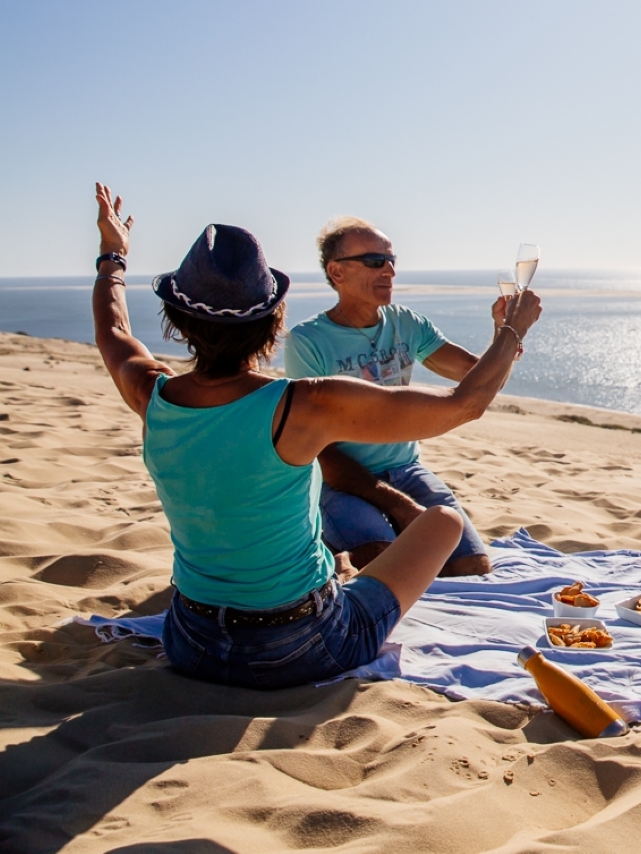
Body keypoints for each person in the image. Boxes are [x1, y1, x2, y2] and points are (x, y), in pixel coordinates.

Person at [88, 184, 541, 689]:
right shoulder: (301, 405)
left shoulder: (150, 394)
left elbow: (112, 329)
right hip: (300, 645)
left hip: (190, 641)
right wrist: (512, 333)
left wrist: (113, 258)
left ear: (176, 318)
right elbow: (465, 406)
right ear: (273, 321)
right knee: (443, 523)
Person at [283, 217, 494, 577]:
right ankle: (332, 539)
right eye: (375, 261)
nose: (390, 271)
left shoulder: (405, 323)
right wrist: (398, 506)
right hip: (341, 479)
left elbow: (475, 377)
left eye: (392, 260)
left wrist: (508, 332)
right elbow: (323, 453)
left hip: (406, 468)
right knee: (384, 564)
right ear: (337, 272)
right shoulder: (308, 341)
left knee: (471, 566)